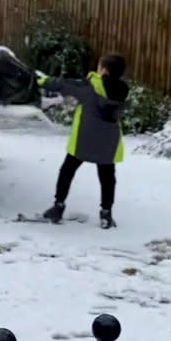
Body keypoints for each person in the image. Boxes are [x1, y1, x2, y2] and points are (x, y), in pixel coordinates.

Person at [37, 53, 129, 228]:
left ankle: (58, 207)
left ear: (104, 70)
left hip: (84, 139)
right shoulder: (122, 90)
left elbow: (62, 85)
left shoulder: (89, 87)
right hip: (109, 141)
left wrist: (41, 80)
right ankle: (106, 214)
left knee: (67, 170)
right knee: (107, 177)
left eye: (99, 66)